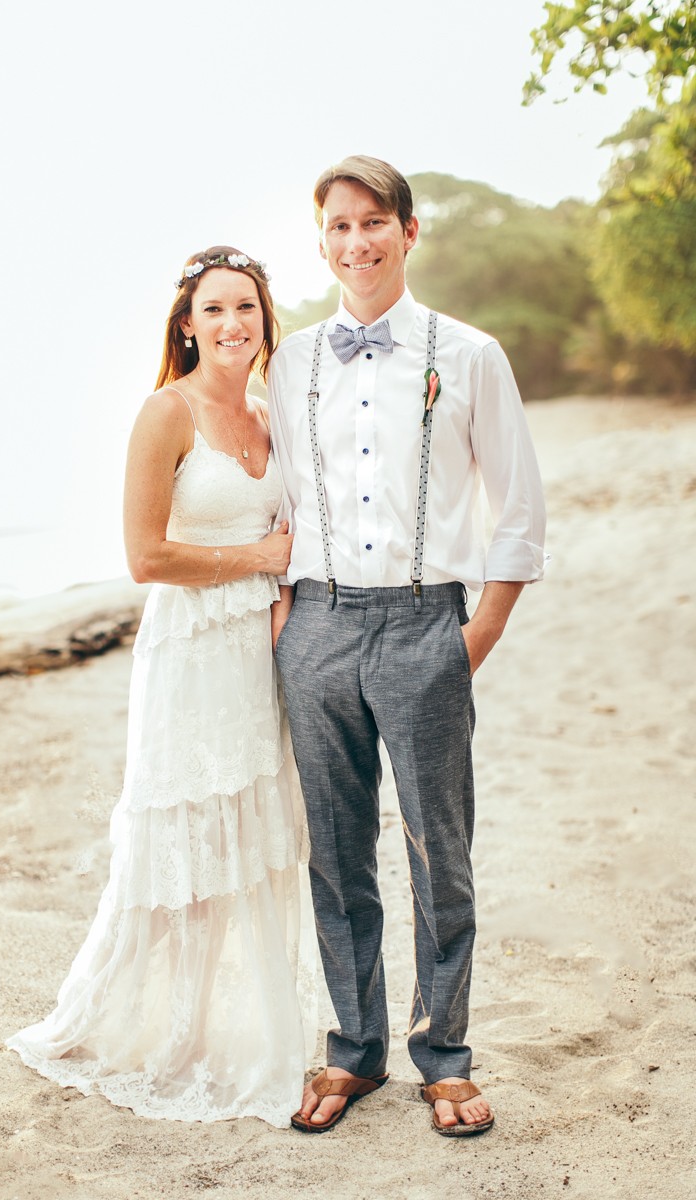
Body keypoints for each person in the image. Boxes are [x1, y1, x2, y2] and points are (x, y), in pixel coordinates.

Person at [268, 156, 547, 1136]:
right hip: (316, 626)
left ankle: (443, 1056)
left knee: (440, 850)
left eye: (371, 222)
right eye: (336, 228)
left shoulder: (468, 353)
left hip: (427, 622)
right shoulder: (290, 361)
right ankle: (353, 1053)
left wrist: (474, 633)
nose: (355, 243)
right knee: (335, 855)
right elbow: (272, 498)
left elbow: (518, 507)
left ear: (407, 231)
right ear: (322, 243)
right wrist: (281, 618)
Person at [8, 246, 316, 1127]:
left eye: (246, 309)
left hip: (261, 659)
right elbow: (145, 557)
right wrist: (258, 558)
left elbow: (294, 536)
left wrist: (285, 592)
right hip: (189, 660)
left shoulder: (266, 415)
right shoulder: (164, 413)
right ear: (187, 323)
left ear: (265, 319)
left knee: (250, 838)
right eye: (214, 310)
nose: (232, 325)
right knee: (183, 838)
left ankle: (245, 1031)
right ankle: (172, 1033)